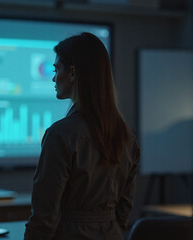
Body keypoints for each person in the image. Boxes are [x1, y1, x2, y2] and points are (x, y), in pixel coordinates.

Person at [24, 32, 140, 240]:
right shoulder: (128, 136)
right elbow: (124, 209)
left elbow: (44, 218)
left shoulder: (60, 135)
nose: (53, 77)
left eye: (56, 69)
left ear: (72, 73)